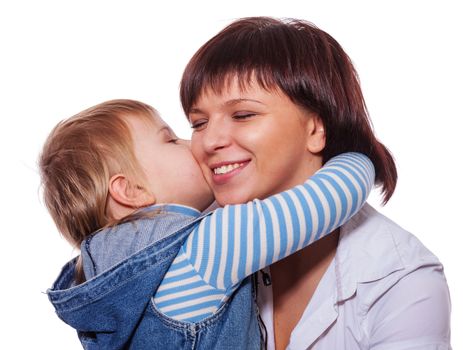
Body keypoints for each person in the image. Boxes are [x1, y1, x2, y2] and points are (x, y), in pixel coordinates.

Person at [180, 17, 451, 349]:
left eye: (243, 115)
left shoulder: (401, 278)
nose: (210, 142)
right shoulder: (188, 240)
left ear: (315, 129)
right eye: (199, 123)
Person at [41, 99, 375, 349]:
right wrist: (357, 154)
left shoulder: (112, 277)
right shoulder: (207, 247)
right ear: (132, 191)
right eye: (171, 140)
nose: (195, 145)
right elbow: (328, 199)